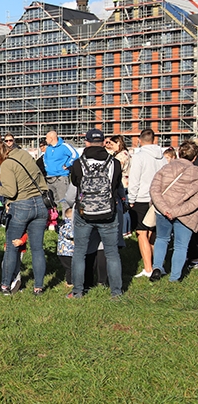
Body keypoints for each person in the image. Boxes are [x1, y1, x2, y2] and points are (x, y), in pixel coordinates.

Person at [0, 139, 49, 295]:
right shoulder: (23, 154)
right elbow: (24, 175)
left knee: (12, 248)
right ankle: (38, 287)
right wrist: (0, 177)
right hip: (40, 203)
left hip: (22, 206)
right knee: (37, 249)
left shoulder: (6, 165)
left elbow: (11, 192)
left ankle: (5, 285)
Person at [67, 128, 124, 299]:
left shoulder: (78, 163)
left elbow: (76, 183)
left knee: (80, 252)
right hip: (108, 212)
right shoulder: (114, 163)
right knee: (112, 253)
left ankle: (77, 291)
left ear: (86, 142)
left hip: (84, 212)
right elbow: (115, 185)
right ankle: (116, 292)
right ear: (104, 142)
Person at [148, 141, 198, 283]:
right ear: (195, 157)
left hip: (163, 210)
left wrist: (164, 208)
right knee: (181, 245)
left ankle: (157, 267)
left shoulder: (165, 168)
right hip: (185, 214)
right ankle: (174, 278)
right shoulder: (196, 172)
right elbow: (195, 201)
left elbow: (154, 189)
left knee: (162, 239)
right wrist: (176, 211)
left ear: (179, 153)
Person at [128, 128, 166, 278]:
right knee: (154, 233)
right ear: (154, 140)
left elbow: (134, 179)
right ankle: (158, 265)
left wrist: (131, 199)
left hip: (142, 198)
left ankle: (148, 268)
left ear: (139, 140)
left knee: (141, 233)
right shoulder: (162, 157)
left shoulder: (139, 157)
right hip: (159, 198)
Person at [43, 130, 78, 211]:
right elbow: (45, 159)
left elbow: (75, 155)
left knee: (63, 201)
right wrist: (46, 168)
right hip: (50, 177)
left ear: (52, 138)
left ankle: (66, 220)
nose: (45, 140)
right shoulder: (48, 149)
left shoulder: (64, 146)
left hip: (61, 177)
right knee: (51, 201)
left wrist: (67, 165)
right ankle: (55, 219)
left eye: (47, 138)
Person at [56, 207, 75, 287]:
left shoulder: (62, 223)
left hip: (63, 251)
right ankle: (70, 282)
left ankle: (71, 280)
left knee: (70, 267)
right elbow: (70, 234)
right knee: (70, 267)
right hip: (66, 251)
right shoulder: (68, 224)